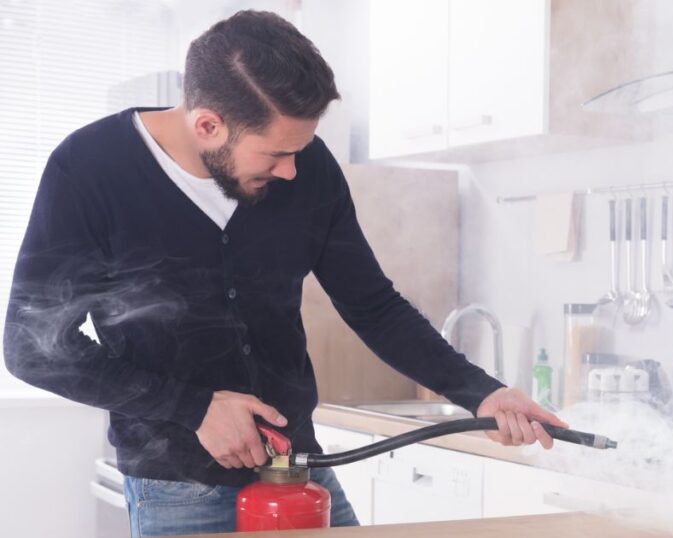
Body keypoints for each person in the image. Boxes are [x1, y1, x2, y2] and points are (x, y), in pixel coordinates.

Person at [2, 10, 566, 537]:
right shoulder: (89, 171)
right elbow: (31, 346)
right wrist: (193, 408)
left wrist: (483, 393)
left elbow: (374, 305)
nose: (293, 170)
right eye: (274, 155)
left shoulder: (310, 169)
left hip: (301, 470)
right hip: (178, 488)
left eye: (302, 148)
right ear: (207, 125)